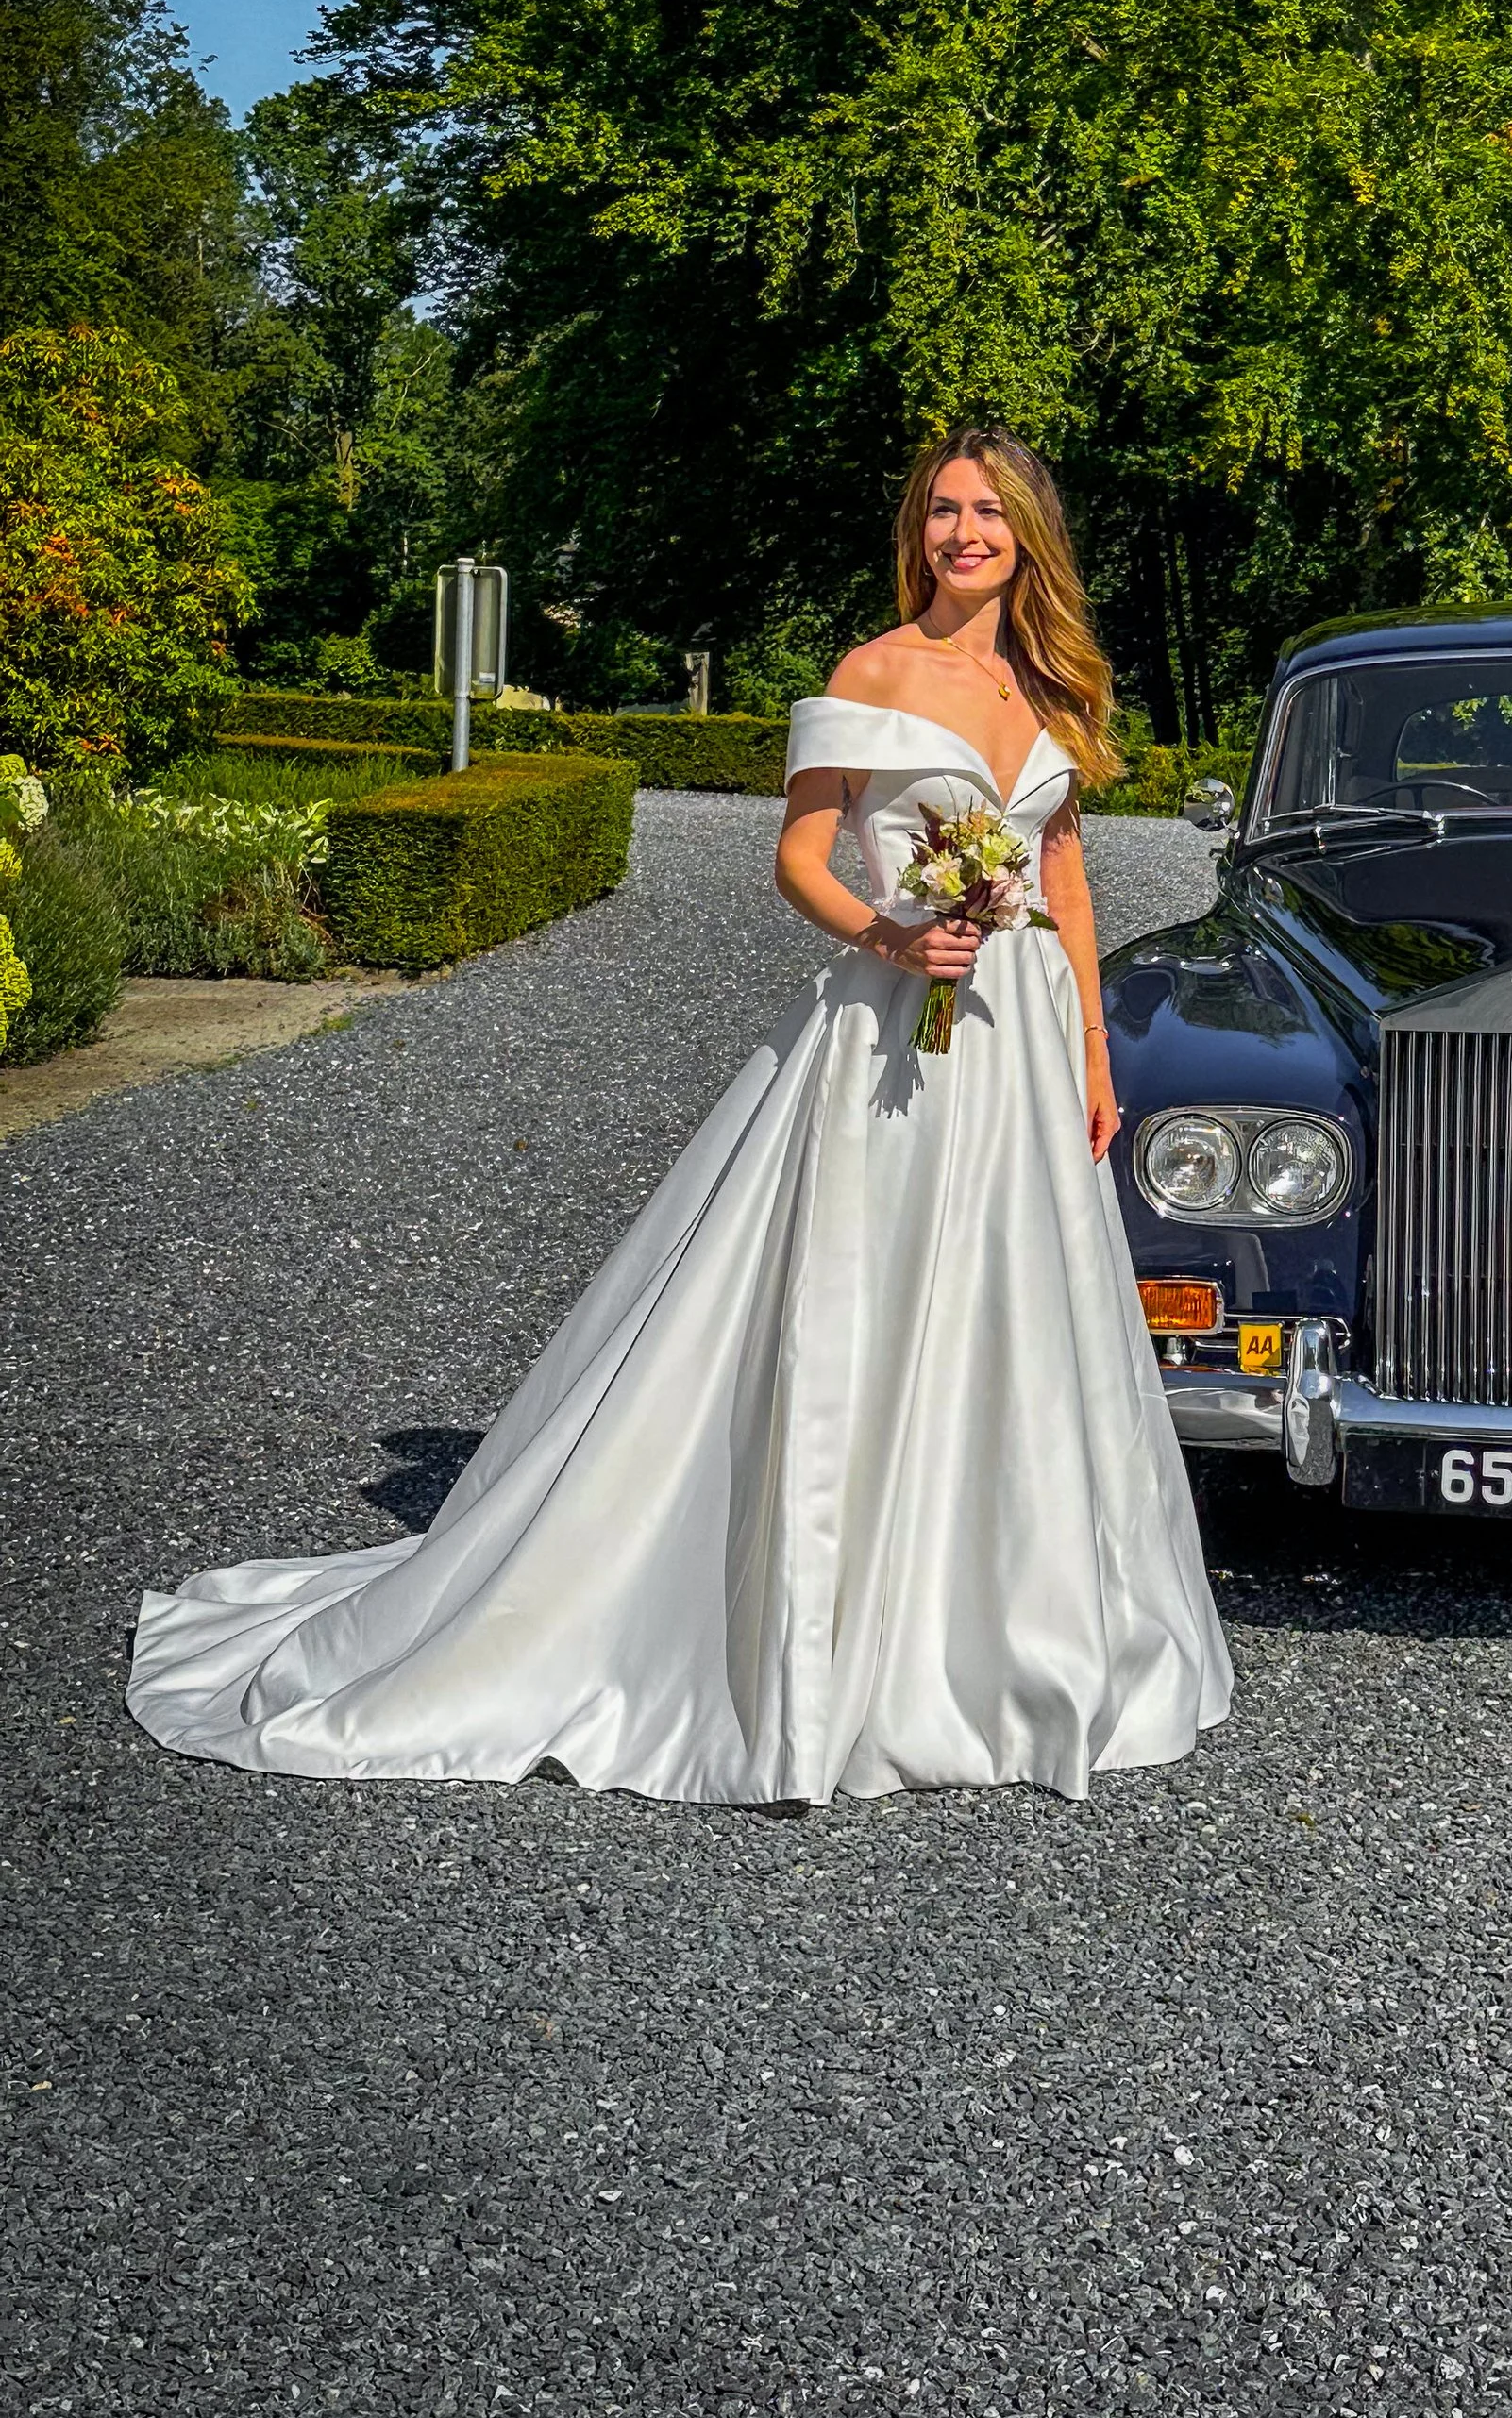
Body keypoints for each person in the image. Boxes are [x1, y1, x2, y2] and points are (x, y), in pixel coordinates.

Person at [125, 429, 1233, 1804]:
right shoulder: (872, 673)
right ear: (919, 531)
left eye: (988, 514)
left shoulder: (1055, 683)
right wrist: (893, 937)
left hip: (1020, 1054)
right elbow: (798, 856)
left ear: (1027, 535)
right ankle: (816, 1634)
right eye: (943, 511)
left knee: (1011, 1311)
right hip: (894, 1029)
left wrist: (1094, 1059)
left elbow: (1064, 881)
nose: (963, 534)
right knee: (862, 1299)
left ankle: (1006, 1621)